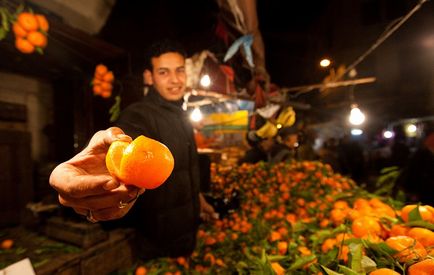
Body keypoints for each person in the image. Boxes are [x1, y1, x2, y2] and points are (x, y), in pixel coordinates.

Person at [49, 40, 217, 260]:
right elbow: (127, 145)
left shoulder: (183, 117)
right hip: (157, 240)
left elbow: (186, 170)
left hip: (188, 231)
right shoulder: (139, 114)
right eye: (164, 72)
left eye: (180, 71)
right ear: (149, 77)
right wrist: (105, 170)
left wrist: (199, 201)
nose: (175, 79)